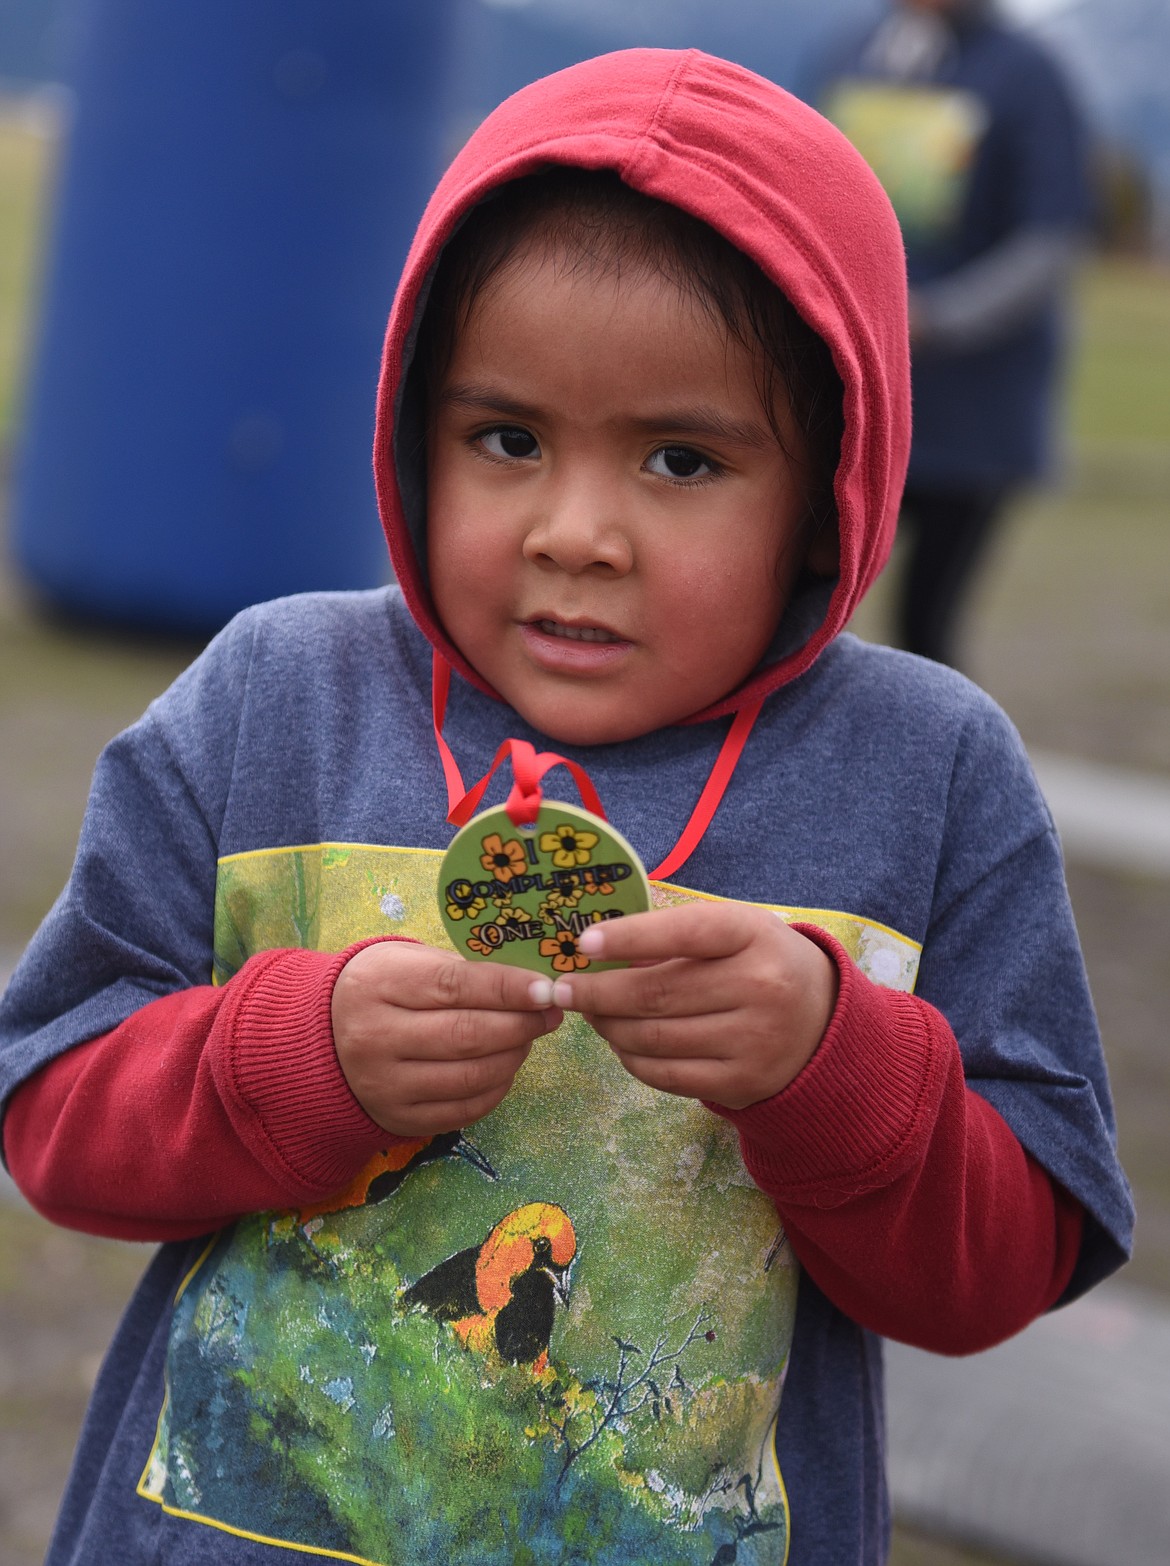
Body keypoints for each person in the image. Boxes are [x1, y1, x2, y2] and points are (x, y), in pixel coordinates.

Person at [0, 48, 1130, 1566]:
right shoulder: (274, 701)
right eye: (507, 438)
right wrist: (292, 1060)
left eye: (681, 458)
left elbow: (1004, 1267)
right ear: (413, 428)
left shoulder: (926, 774)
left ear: (829, 484)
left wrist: (827, 1062)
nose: (576, 533)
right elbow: (50, 1109)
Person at [818, 0, 1092, 666]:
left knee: (926, 622)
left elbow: (1050, 240)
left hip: (972, 414)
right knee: (809, 604)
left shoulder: (1027, 74)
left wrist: (937, 318)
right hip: (856, 394)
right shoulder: (851, 58)